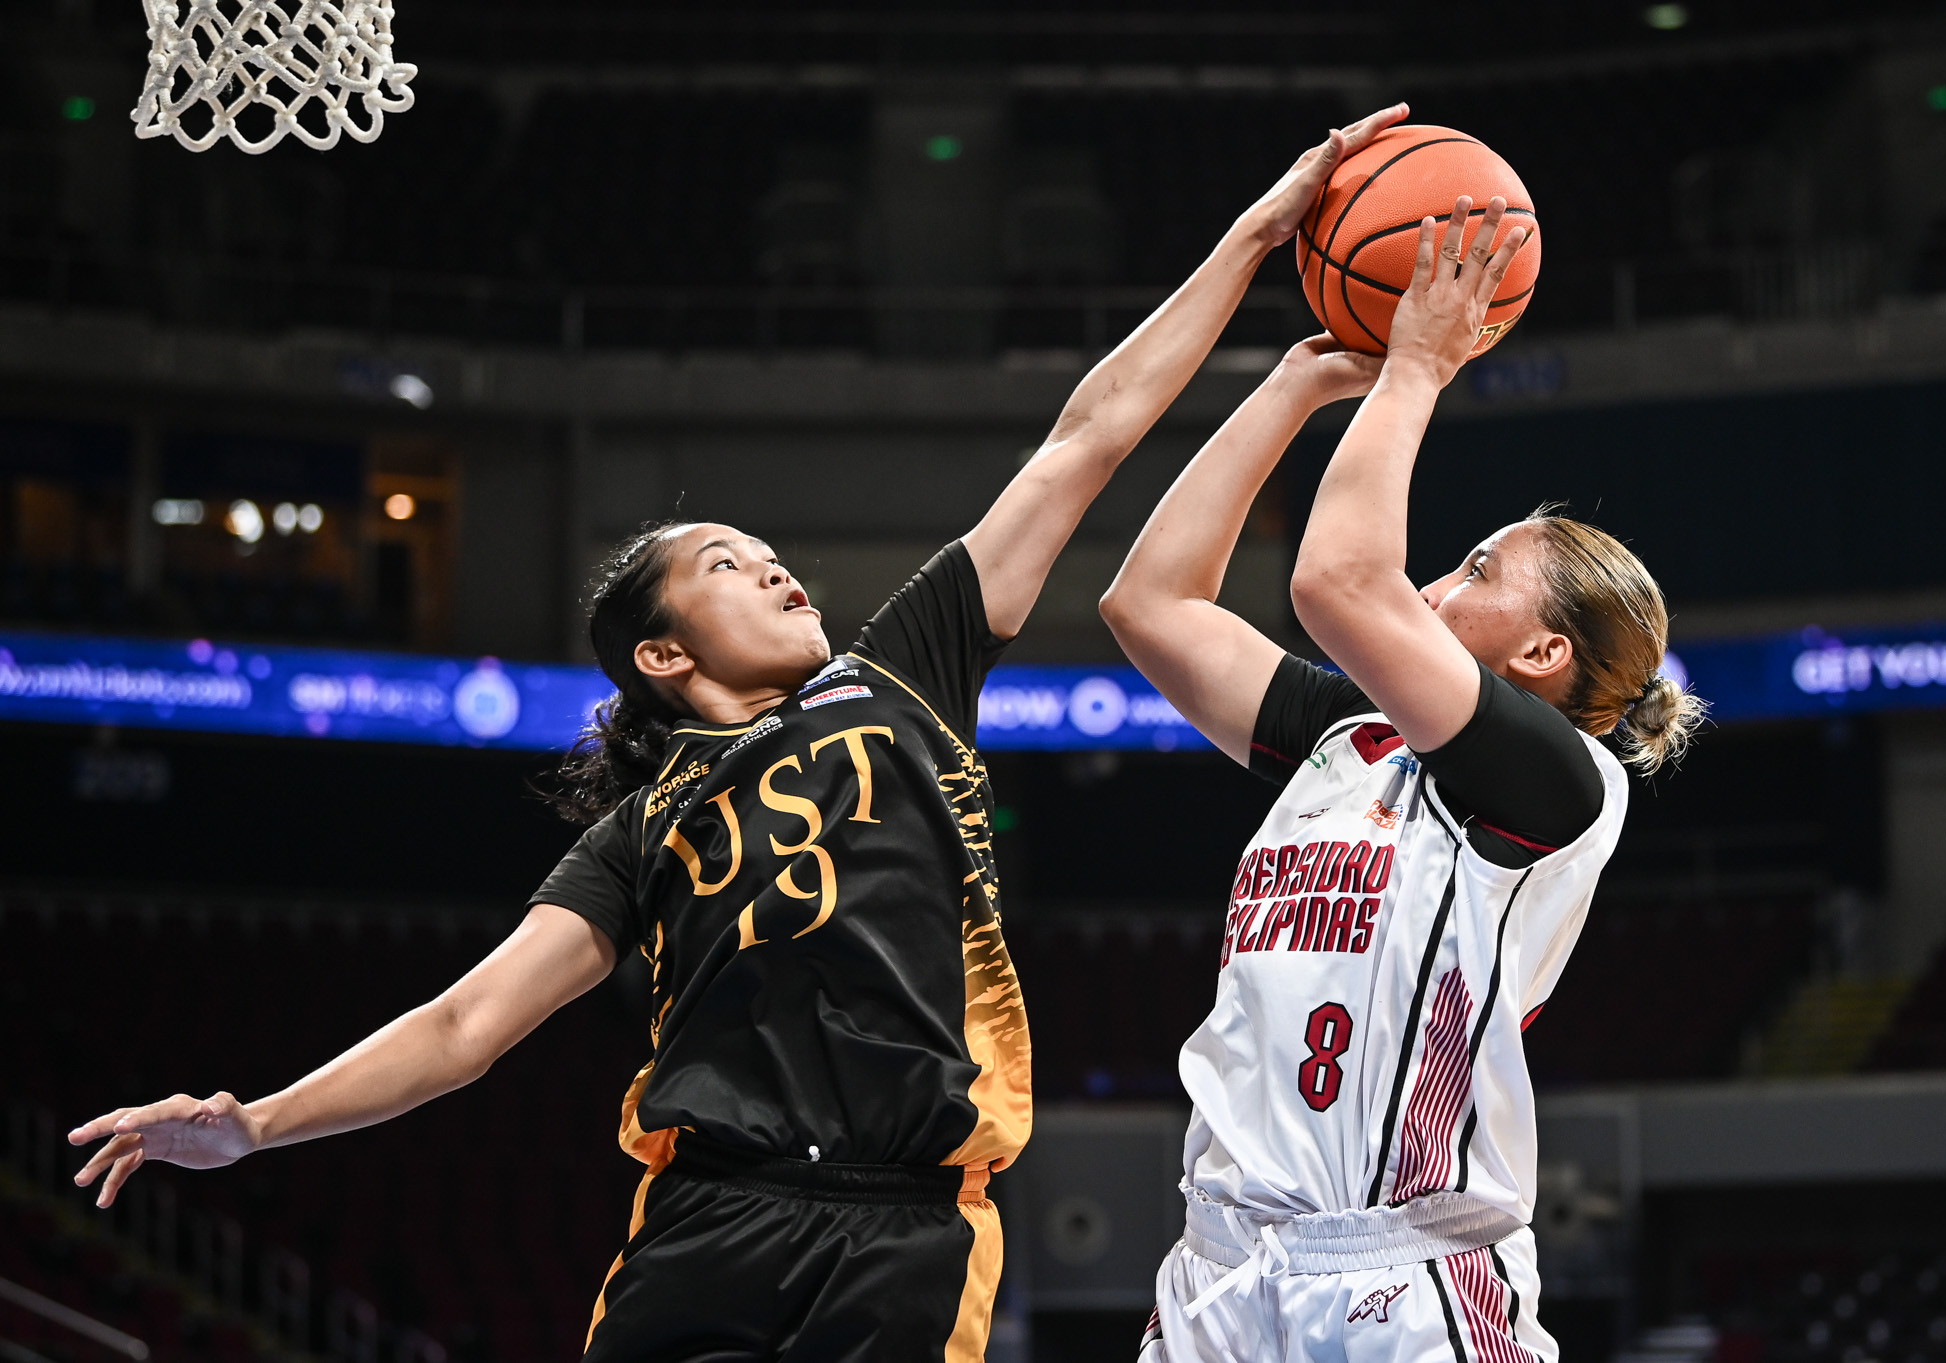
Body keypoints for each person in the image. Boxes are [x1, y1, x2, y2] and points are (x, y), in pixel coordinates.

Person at [64, 104, 1416, 1363]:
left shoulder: (903, 674)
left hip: (908, 1219)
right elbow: (467, 1021)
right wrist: (253, 1123)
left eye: (770, 554)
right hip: (708, 1217)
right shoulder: (634, 836)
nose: (775, 568)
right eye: (726, 561)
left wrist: (1253, 238)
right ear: (664, 654)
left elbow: (1084, 438)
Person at [1101, 186, 1703, 1363]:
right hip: (1218, 1267)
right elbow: (1150, 602)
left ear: (1543, 654)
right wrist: (1291, 386)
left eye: (1477, 570)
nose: (1433, 583)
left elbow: (1338, 583)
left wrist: (1417, 370)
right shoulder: (1348, 737)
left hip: (1401, 1277)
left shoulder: (1559, 784)